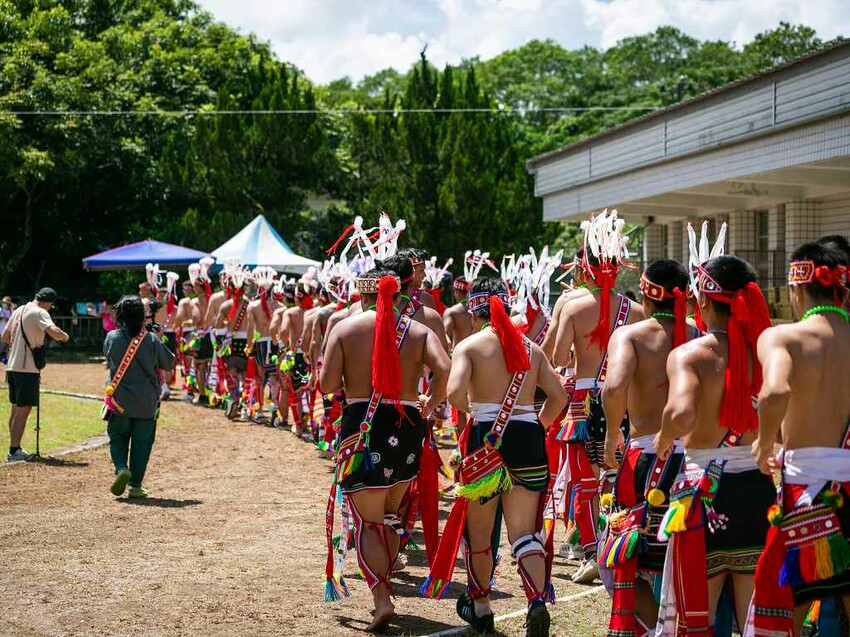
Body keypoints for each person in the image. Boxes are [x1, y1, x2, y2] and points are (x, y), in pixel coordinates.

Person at [422, 276, 567, 637]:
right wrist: (535, 424)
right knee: (523, 532)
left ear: (475, 311)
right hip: (528, 439)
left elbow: (454, 394)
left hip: (484, 441)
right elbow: (559, 397)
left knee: (481, 532)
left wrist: (478, 414)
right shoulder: (531, 348)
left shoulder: (470, 346)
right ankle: (535, 600)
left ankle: (481, 606)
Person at [320, 269, 450, 632]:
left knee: (367, 520)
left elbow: (328, 384)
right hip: (407, 427)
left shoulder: (344, 330)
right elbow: (446, 368)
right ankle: (385, 583)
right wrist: (430, 403)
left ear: (361, 294)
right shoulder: (419, 331)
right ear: (396, 295)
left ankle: (381, 597)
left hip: (363, 427)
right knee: (391, 514)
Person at [653, 255, 774, 635]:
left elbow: (682, 415)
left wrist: (662, 433)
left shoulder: (689, 356)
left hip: (701, 495)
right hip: (757, 490)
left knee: (695, 621)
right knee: (756, 618)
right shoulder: (768, 356)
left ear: (702, 301)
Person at [748, 241, 850, 637]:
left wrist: (762, 442)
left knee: (778, 603)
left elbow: (774, 393)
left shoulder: (784, 338)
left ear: (796, 289)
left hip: (807, 494)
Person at [601, 259, 695, 635]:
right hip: (693, 461)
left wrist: (611, 431)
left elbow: (613, 387)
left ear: (645, 293)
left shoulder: (631, 335)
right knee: (681, 556)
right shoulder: (697, 333)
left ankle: (659, 629)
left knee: (617, 559)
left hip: (646, 457)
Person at [551, 212, 644, 583]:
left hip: (583, 401)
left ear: (584, 265)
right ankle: (621, 545)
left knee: (585, 485)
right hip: (622, 401)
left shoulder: (573, 306)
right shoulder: (635, 311)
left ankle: (591, 552)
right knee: (618, 476)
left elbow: (558, 359)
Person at [103, 295, 174, 498]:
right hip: (146, 402)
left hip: (119, 400)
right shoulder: (150, 339)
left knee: (117, 437)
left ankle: (121, 468)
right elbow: (168, 362)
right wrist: (156, 338)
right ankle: (135, 485)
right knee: (142, 443)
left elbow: (109, 359)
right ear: (143, 316)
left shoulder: (111, 337)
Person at [1, 288, 69, 462]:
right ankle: (14, 450)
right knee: (23, 409)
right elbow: (54, 332)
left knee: (16, 408)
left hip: (12, 366)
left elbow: (5, 336)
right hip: (27, 369)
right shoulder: (39, 312)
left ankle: (14, 447)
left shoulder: (19, 309)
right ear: (49, 302)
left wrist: (19, 347)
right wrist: (65, 337)